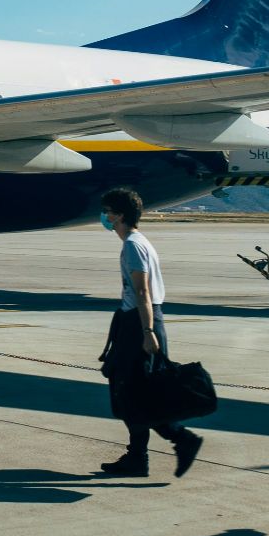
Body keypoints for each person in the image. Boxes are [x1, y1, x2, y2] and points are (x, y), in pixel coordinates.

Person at [95, 188, 204, 478]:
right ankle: (138, 457)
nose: (105, 217)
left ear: (118, 215)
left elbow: (142, 290)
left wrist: (147, 331)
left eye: (107, 211)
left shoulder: (132, 245)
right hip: (140, 320)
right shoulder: (139, 242)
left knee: (133, 393)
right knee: (136, 392)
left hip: (140, 323)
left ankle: (181, 439)